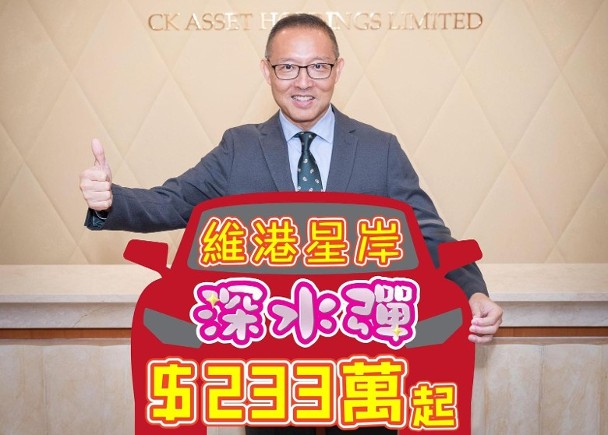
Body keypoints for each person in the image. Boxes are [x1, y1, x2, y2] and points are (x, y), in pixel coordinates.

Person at [80, 13, 502, 435]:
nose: (303, 82)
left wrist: (473, 290)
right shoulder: (239, 148)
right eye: (287, 67)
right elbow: (172, 202)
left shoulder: (380, 149)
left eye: (318, 66)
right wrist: (112, 200)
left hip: (364, 358)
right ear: (267, 71)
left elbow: (429, 234)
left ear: (338, 70)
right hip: (271, 366)